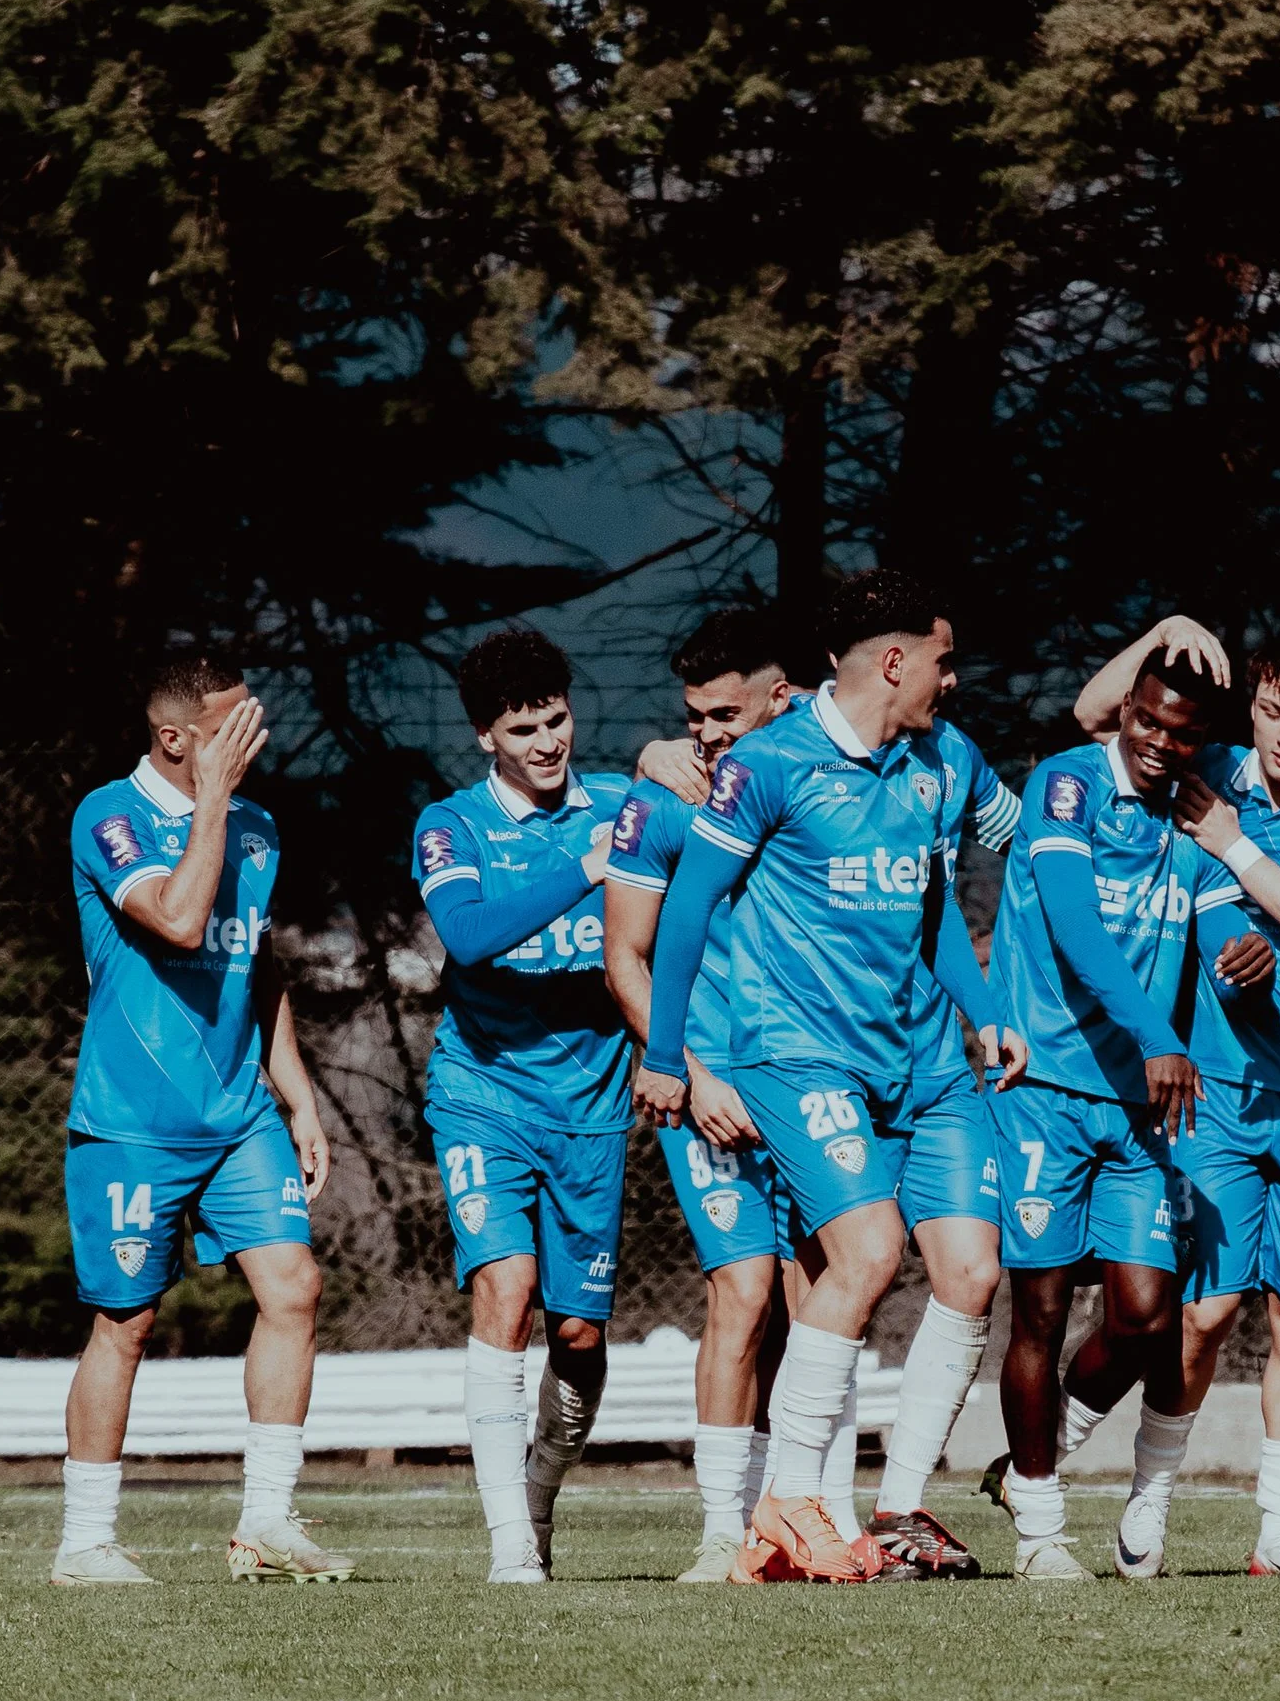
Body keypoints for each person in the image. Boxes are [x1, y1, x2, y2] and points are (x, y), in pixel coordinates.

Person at [636, 573, 1026, 1583]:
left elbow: (938, 908)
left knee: (974, 1274)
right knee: (862, 1254)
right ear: (893, 661)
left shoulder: (946, 760)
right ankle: (793, 1498)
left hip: (929, 1060)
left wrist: (986, 1017)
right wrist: (664, 1051)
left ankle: (895, 1509)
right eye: (940, 658)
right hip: (798, 1051)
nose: (953, 675)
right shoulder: (768, 764)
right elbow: (683, 913)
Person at [1077, 631, 1280, 1580]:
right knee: (1206, 1312)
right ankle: (1149, 1500)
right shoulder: (1213, 762)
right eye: (1272, 712)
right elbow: (1098, 716)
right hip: (1217, 1093)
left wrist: (1230, 846)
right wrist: (1163, 630)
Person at [984, 647, 1277, 1582]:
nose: (1157, 742)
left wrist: (1246, 953)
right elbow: (1072, 927)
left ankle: (1036, 1452)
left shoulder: (1192, 817)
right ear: (1125, 712)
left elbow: (1221, 915)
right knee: (1038, 1307)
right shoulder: (1066, 786)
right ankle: (1038, 1528)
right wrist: (1159, 1032)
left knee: (1150, 1315)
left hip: (1138, 1106)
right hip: (1045, 1092)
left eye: (1181, 733)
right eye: (1145, 720)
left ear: (1201, 742)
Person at [57, 653, 340, 1586]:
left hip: (238, 1113)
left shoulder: (258, 828)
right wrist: (210, 803)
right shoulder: (109, 816)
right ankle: (86, 1541)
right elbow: (179, 921)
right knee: (125, 1324)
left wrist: (296, 1097)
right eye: (229, 728)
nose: (250, 738)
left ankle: (266, 1521)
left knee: (294, 1288)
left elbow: (250, 968)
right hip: (133, 1122)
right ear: (176, 740)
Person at [412, 629, 634, 1584]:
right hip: (483, 1093)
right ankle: (509, 1541)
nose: (548, 741)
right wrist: (582, 866)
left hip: (593, 1105)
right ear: (483, 737)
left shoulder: (626, 804)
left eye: (557, 719)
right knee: (502, 1287)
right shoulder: (450, 826)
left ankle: (541, 1482)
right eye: (522, 728)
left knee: (578, 1337)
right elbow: (464, 935)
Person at [603, 613, 796, 1579]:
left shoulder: (827, 784)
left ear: (784, 699)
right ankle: (724, 1529)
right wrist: (691, 1069)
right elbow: (624, 958)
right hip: (709, 1086)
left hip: (815, 1081)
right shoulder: (663, 800)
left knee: (824, 1295)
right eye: (694, 717)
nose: (711, 734)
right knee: (744, 1293)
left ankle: (808, 1515)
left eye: (728, 713)